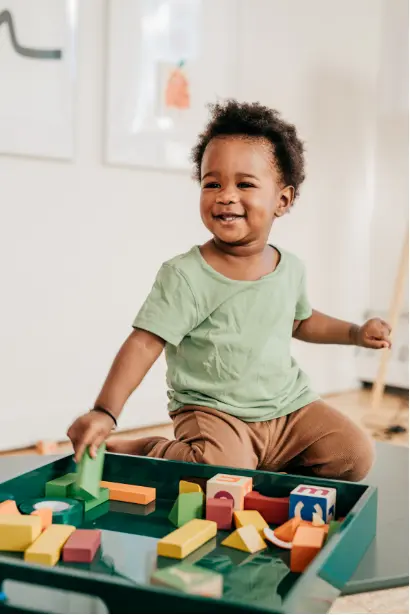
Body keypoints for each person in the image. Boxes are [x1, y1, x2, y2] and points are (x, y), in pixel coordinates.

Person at [67, 100, 391, 480]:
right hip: (214, 411)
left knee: (354, 455)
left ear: (282, 200)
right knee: (221, 472)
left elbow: (301, 321)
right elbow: (143, 344)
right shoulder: (186, 274)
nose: (225, 195)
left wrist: (353, 333)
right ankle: (153, 449)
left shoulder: (290, 268)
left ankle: (255, 462)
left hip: (288, 409)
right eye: (212, 183)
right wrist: (106, 411)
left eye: (245, 184)